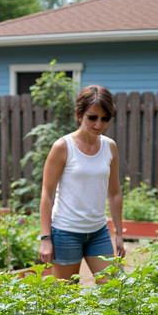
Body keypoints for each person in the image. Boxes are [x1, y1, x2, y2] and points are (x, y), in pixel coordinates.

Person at [39, 85, 125, 279]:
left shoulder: (110, 147)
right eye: (92, 117)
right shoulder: (63, 147)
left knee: (114, 289)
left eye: (105, 119)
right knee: (65, 296)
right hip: (66, 232)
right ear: (79, 115)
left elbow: (115, 193)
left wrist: (119, 234)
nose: (98, 124)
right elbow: (47, 193)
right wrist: (45, 238)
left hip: (98, 232)